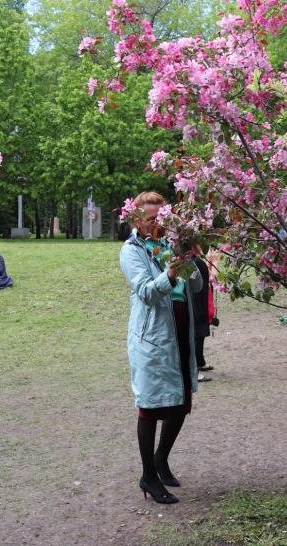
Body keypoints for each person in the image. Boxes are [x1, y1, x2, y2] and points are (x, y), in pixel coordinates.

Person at [119, 191, 203, 505]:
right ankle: (148, 475)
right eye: (153, 219)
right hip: (154, 335)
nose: (159, 224)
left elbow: (195, 286)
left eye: (162, 218)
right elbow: (145, 292)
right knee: (152, 407)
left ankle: (161, 459)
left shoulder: (170, 244)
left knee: (180, 401)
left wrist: (189, 260)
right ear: (136, 219)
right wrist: (169, 273)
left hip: (180, 329)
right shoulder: (131, 251)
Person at [192, 256, 214, 381]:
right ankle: (195, 369)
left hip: (201, 301)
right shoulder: (193, 263)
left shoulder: (196, 261)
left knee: (200, 334)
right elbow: (194, 281)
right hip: (197, 302)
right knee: (197, 335)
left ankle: (200, 362)